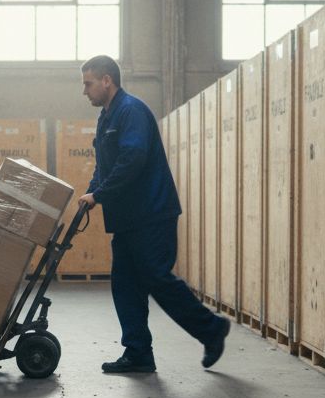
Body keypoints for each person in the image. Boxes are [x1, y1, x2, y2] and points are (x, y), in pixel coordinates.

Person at [77, 55, 230, 374]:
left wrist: (100, 194)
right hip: (128, 219)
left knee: (157, 279)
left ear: (107, 80)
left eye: (88, 83)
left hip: (151, 214)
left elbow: (133, 158)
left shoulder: (131, 110)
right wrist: (92, 193)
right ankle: (138, 353)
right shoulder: (107, 117)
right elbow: (104, 167)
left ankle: (212, 329)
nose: (85, 91)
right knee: (125, 284)